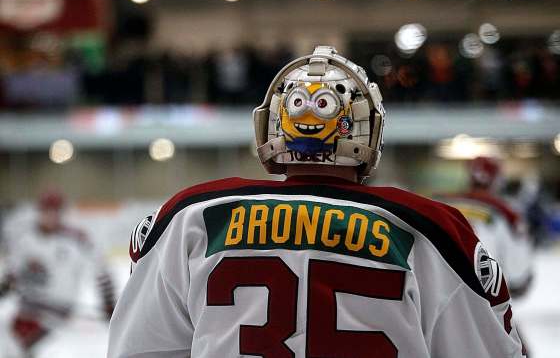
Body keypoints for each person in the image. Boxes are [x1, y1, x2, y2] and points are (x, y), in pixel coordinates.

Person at [108, 46, 527, 357]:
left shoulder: (190, 216)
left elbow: (142, 349)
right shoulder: (429, 228)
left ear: (271, 127)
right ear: (369, 132)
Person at [0, 190, 115, 358]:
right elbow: (11, 275)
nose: (51, 215)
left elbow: (101, 273)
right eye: (47, 210)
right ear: (39, 211)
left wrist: (109, 304)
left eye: (56, 210)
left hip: (57, 317)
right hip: (26, 313)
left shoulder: (78, 240)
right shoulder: (24, 239)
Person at [437, 156, 534, 297]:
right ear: (495, 180)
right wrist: (518, 282)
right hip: (487, 293)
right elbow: (517, 267)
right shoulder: (507, 213)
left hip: (440, 291)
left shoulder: (444, 204)